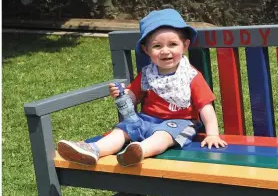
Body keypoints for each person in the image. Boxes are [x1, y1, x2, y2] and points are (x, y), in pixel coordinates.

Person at [57, 9, 227, 167]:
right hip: (145, 120)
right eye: (157, 46)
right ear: (147, 50)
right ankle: (93, 149)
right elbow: (132, 97)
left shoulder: (191, 76)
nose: (165, 51)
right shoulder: (147, 74)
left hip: (179, 123)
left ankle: (139, 152)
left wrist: (212, 134)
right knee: (121, 131)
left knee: (163, 137)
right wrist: (122, 94)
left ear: (185, 45)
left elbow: (205, 107)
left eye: (172, 44)